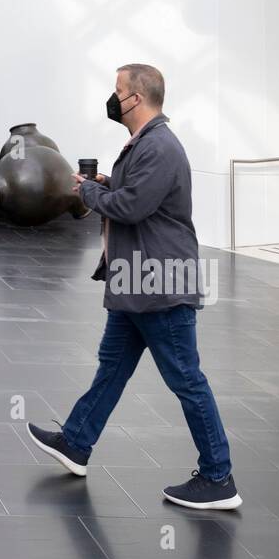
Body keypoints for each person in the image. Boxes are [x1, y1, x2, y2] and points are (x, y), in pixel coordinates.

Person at [27, 63, 242, 510]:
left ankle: (219, 477)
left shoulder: (160, 145)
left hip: (159, 284)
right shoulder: (146, 143)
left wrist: (90, 194)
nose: (113, 97)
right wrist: (106, 182)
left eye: (118, 90)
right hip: (137, 285)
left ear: (137, 99)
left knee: (185, 378)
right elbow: (136, 194)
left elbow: (133, 207)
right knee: (112, 367)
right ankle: (76, 443)